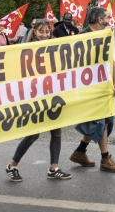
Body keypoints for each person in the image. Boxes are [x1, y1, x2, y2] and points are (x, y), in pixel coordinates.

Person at [5, 20, 72, 182]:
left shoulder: (54, 46)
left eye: (47, 32)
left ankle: (53, 168)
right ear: (34, 32)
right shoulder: (26, 49)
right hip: (35, 98)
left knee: (56, 133)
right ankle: (12, 166)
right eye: (41, 32)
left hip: (52, 95)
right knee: (32, 135)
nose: (44, 35)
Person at [70, 7, 115, 173]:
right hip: (91, 87)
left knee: (101, 121)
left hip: (104, 85)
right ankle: (105, 158)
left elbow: (110, 60)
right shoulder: (83, 36)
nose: (109, 19)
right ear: (100, 19)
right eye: (107, 17)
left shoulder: (105, 35)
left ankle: (80, 151)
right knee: (101, 121)